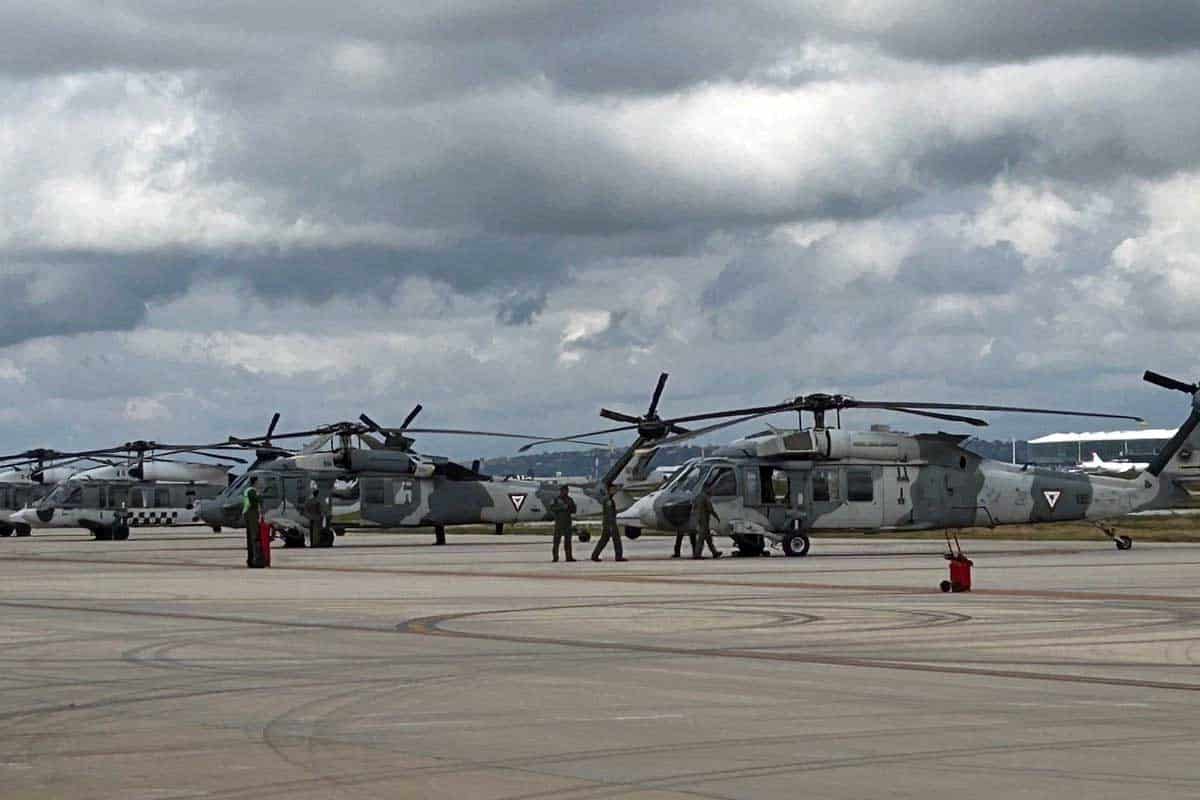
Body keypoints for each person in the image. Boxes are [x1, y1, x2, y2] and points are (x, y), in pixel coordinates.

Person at [590, 484, 625, 562]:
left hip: (607, 523)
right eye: (613, 489)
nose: (614, 491)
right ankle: (618, 556)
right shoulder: (608, 500)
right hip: (610, 523)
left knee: (603, 540)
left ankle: (594, 555)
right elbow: (609, 513)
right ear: (609, 490)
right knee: (616, 540)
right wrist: (611, 525)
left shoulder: (608, 499)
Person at [693, 488, 724, 559]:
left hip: (699, 519)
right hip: (704, 520)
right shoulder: (706, 497)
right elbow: (710, 509)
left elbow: (694, 507)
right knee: (701, 538)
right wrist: (716, 517)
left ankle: (714, 552)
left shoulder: (698, 497)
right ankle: (697, 554)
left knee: (708, 538)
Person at [548, 485, 576, 562]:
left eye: (566, 491)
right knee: (556, 541)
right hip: (559, 522)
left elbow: (574, 510)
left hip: (567, 522)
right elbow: (552, 508)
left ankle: (569, 557)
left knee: (568, 541)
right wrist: (562, 507)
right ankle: (555, 557)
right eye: (563, 491)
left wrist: (569, 507)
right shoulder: (556, 500)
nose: (565, 492)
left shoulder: (570, 500)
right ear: (561, 491)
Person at [243, 476, 263, 568]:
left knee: (251, 538)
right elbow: (257, 500)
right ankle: (256, 560)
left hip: (249, 513)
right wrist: (260, 495)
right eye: (258, 481)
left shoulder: (248, 490)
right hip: (252, 513)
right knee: (255, 537)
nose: (260, 483)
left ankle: (251, 560)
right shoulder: (251, 491)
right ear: (255, 482)